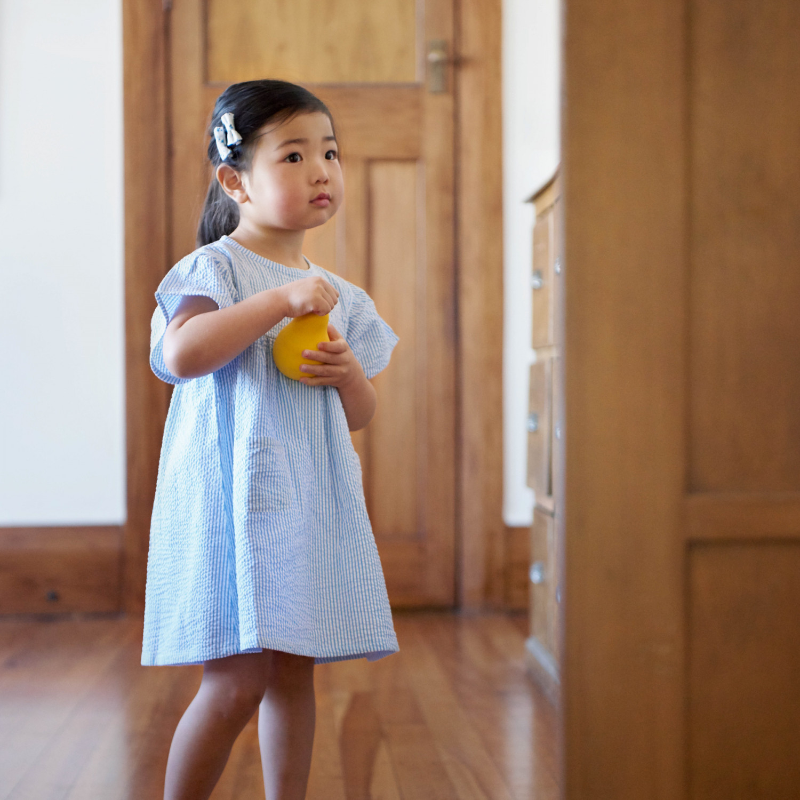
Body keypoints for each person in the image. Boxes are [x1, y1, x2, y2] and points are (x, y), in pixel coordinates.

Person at [141, 79, 400, 800]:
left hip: (301, 505)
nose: (321, 170)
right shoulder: (215, 268)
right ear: (236, 182)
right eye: (292, 156)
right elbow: (181, 354)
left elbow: (359, 415)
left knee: (293, 671)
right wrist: (276, 301)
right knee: (234, 681)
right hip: (231, 506)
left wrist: (350, 376)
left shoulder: (339, 295)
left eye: (330, 153)